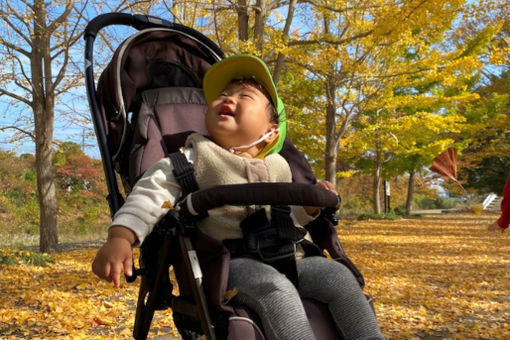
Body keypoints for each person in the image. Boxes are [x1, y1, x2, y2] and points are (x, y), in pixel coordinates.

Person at [92, 54, 383, 340]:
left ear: (270, 133)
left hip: (295, 256)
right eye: (222, 95)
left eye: (244, 96)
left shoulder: (280, 165)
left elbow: (290, 216)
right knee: (276, 291)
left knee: (339, 278)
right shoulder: (192, 158)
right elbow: (151, 193)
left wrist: (308, 206)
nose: (228, 99)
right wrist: (121, 236)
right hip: (233, 262)